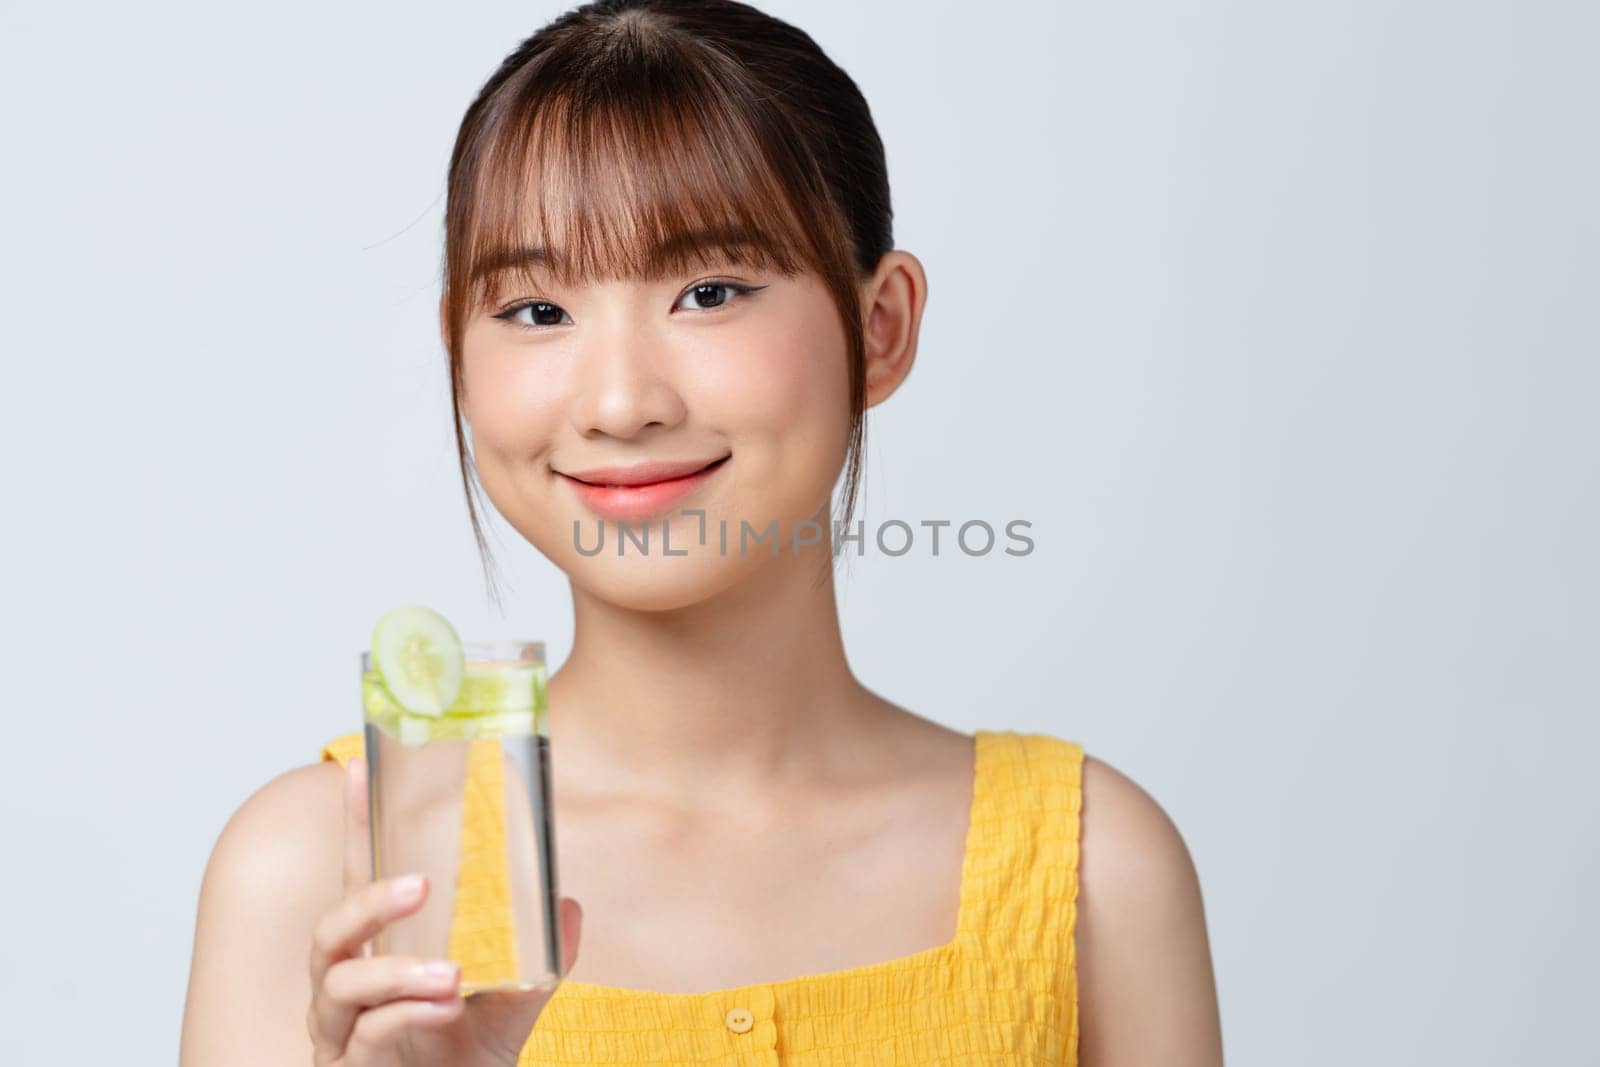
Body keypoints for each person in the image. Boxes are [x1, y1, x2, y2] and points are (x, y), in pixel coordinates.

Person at [179, 1, 1224, 1063]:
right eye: (537, 311)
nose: (622, 401)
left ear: (881, 328)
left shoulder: (1095, 872)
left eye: (709, 290)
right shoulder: (325, 875)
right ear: (458, 350)